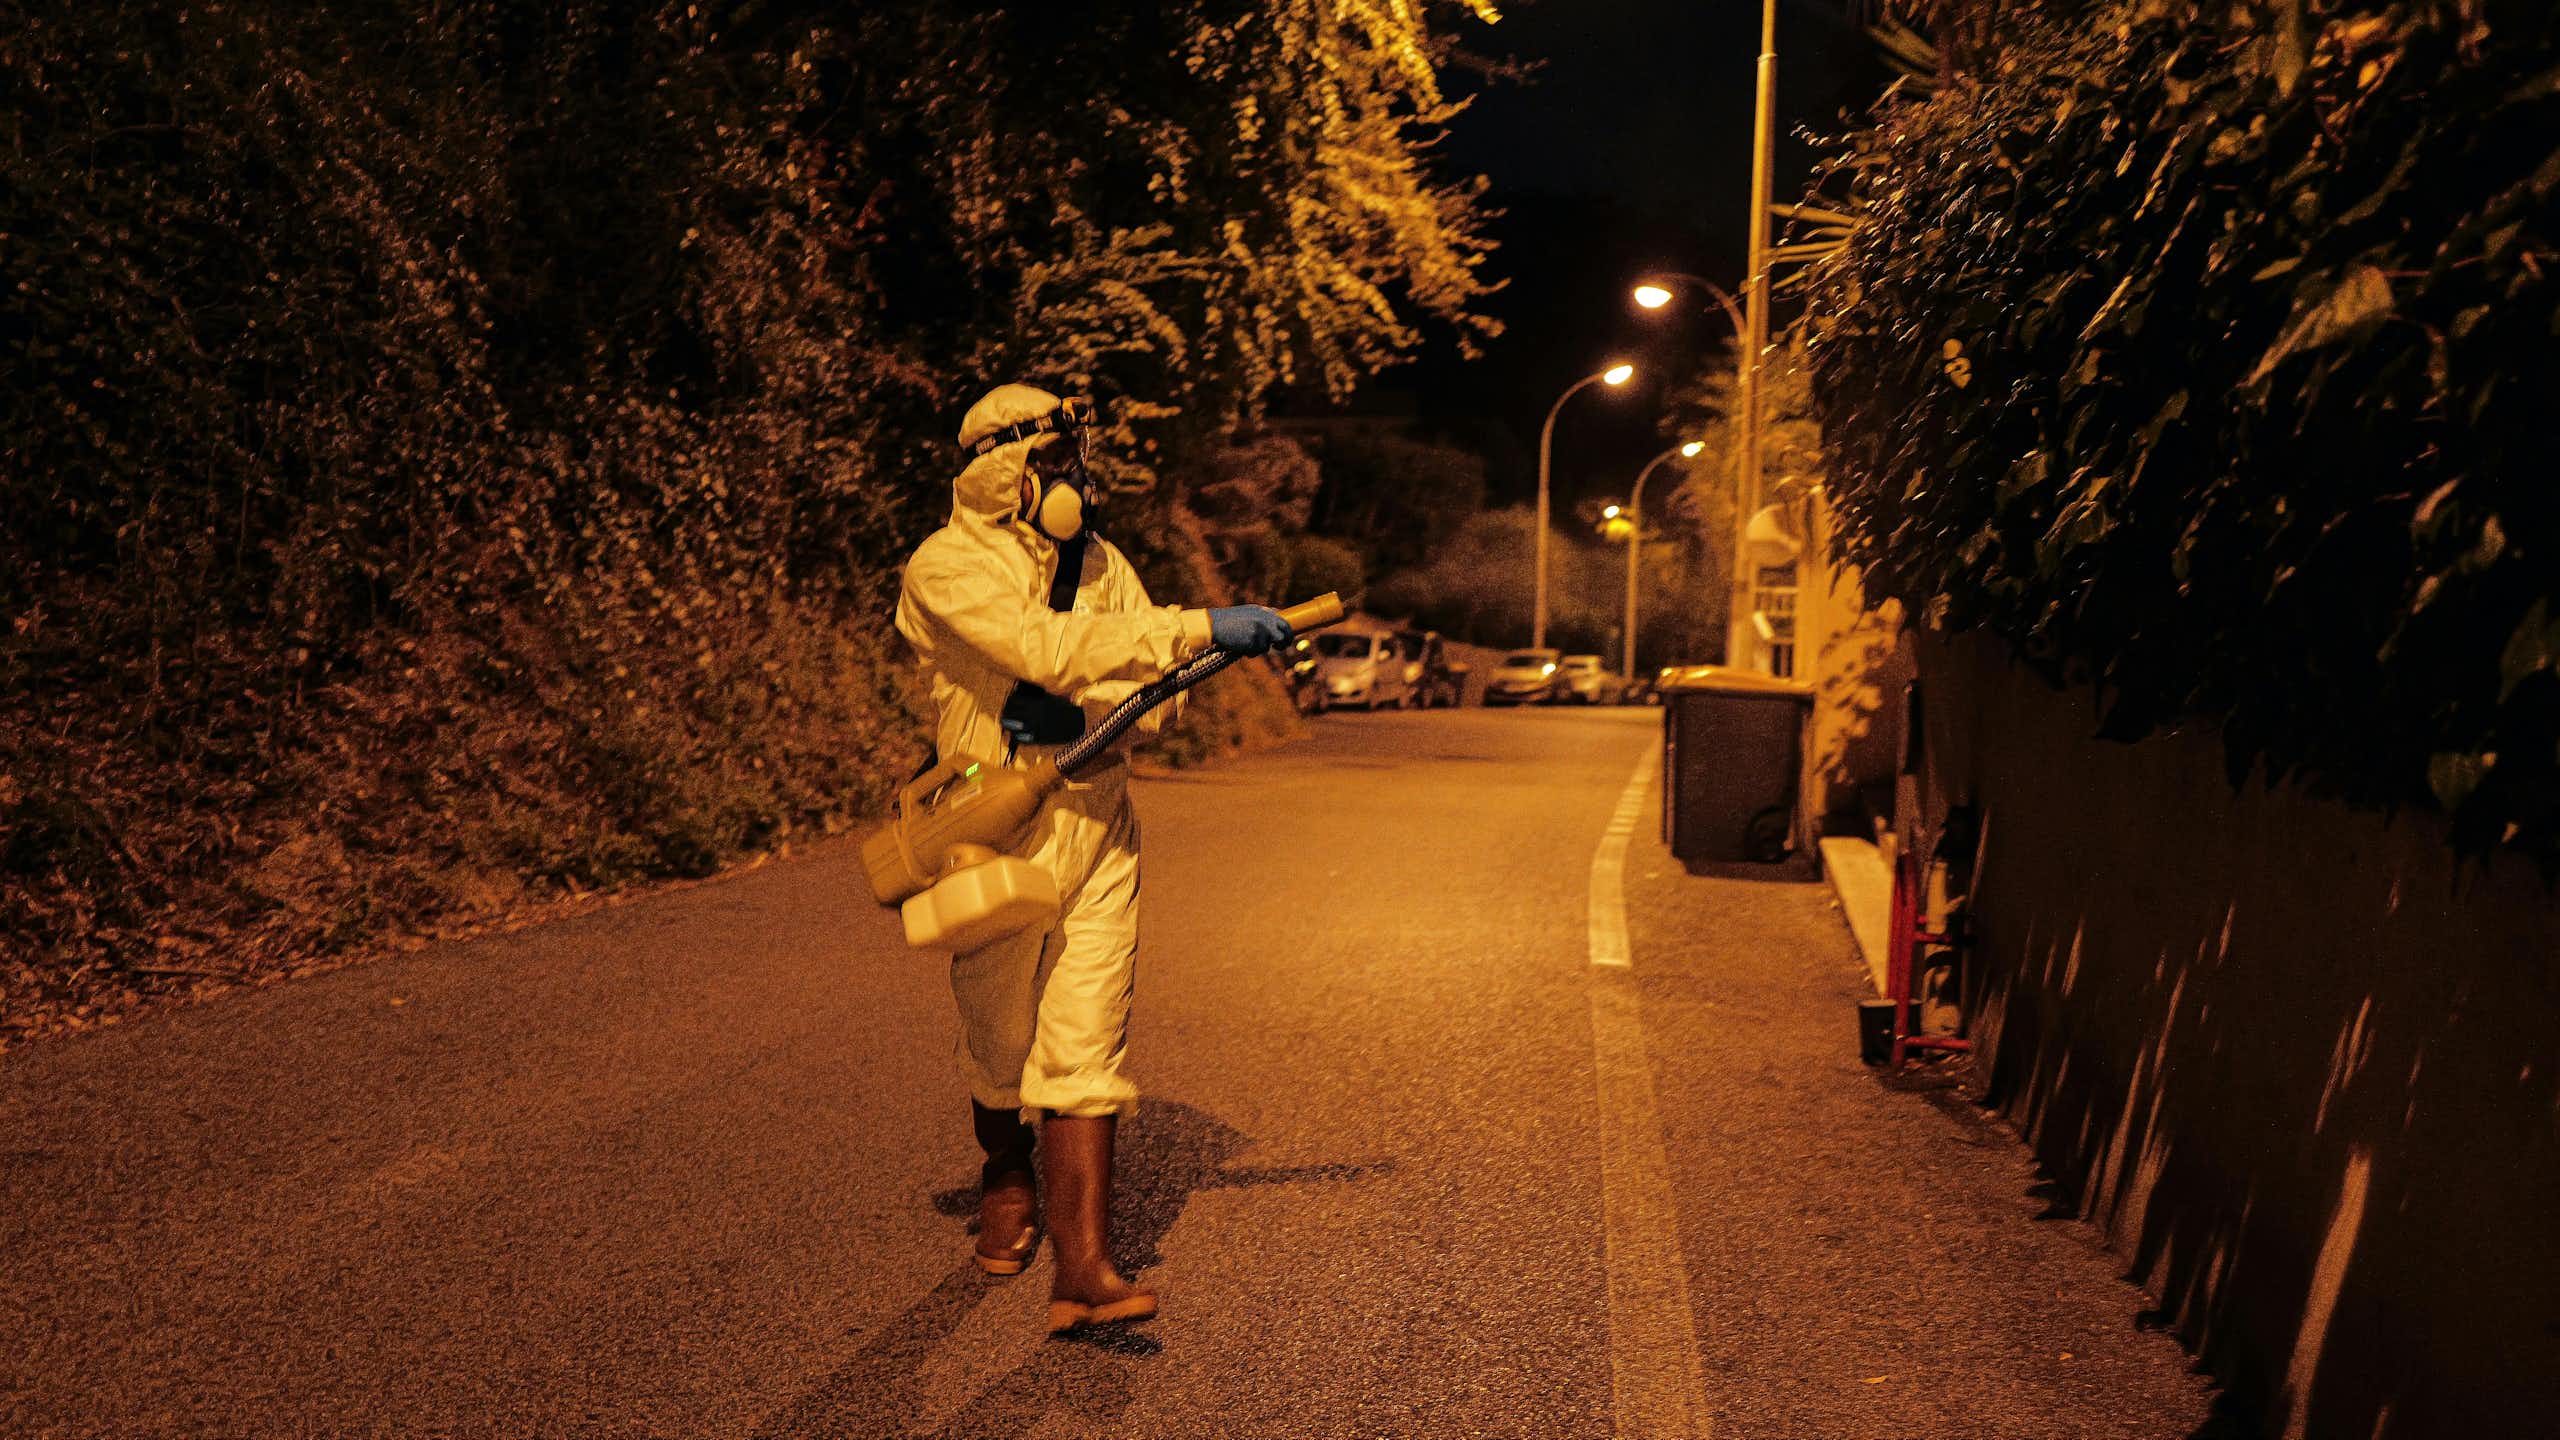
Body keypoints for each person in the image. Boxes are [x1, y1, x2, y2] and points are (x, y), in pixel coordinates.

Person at [893, 383, 1291, 1334]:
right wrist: (1195, 626)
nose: (1068, 478)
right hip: (992, 823)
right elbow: (1041, 647)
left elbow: (1160, 688)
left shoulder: (1106, 564)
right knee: (1000, 1035)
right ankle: (1005, 1168)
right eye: (1048, 461)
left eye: (1072, 460)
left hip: (1099, 820)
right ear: (998, 469)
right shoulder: (945, 565)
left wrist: (1154, 682)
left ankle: (1084, 1271)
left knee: (1086, 1035)